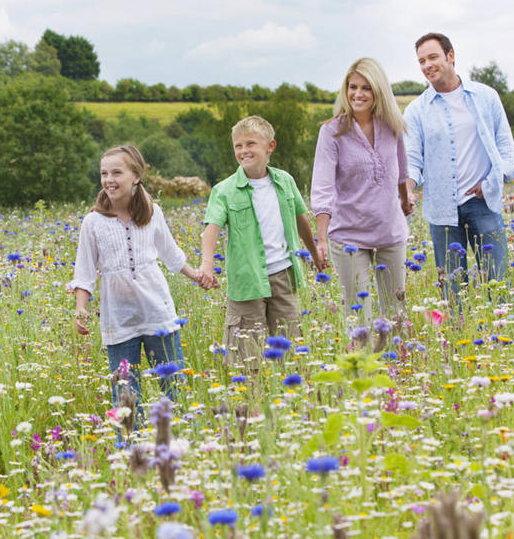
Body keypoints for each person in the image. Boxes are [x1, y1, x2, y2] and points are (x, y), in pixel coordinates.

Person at [70, 145, 200, 412]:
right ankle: (130, 450)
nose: (109, 180)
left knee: (175, 387)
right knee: (126, 396)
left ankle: (182, 442)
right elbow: (83, 272)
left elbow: (172, 255)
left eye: (117, 172)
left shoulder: (153, 213)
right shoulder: (93, 223)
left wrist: (196, 275)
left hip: (157, 313)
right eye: (104, 173)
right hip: (118, 319)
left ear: (136, 176)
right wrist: (80, 308)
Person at [199, 115, 324, 363]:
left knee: (291, 352)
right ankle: (250, 399)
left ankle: (289, 398)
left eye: (250, 144)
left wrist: (314, 251)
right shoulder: (224, 190)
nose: (244, 150)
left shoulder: (285, 181)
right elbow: (211, 228)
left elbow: (301, 219)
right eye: (238, 145)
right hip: (246, 280)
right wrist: (207, 264)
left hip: (283, 275)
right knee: (246, 356)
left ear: (270, 147)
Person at [404, 32, 514, 297]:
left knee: (498, 285)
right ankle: (457, 335)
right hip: (442, 210)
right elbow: (411, 159)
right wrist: (407, 188)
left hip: (483, 203)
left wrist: (495, 179)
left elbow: (505, 146)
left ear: (450, 56)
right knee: (452, 293)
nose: (427, 65)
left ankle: (498, 337)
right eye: (421, 61)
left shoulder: (485, 97)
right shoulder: (416, 110)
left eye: (433, 57)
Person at [311, 58, 412, 324]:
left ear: (378, 91)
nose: (358, 94)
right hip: (349, 236)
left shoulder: (393, 126)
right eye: (352, 87)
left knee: (396, 315)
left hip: (390, 231)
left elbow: (402, 171)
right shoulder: (331, 132)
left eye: (366, 88)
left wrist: (405, 197)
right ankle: (363, 366)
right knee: (360, 320)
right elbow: (323, 189)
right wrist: (321, 239)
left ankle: (398, 365)